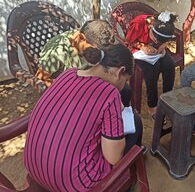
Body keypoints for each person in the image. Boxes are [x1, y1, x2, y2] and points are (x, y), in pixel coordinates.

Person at [24, 43, 143, 191]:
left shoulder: (68, 74)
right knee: (136, 122)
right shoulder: (109, 93)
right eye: (125, 80)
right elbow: (113, 157)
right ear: (120, 72)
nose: (123, 85)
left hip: (34, 167)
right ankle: (128, 180)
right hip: (76, 183)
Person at [35, 19, 132, 107]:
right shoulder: (57, 53)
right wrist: (66, 90)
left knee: (125, 91)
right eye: (93, 50)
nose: (96, 54)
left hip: (90, 79)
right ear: (81, 37)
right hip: (71, 90)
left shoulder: (91, 37)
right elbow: (40, 79)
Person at [125, 11, 177, 117]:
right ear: (150, 26)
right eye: (156, 39)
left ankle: (167, 98)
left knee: (169, 65)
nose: (157, 41)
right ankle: (152, 105)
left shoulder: (166, 24)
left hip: (156, 52)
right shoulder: (139, 24)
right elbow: (129, 41)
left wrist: (163, 46)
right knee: (153, 68)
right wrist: (143, 47)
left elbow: (166, 40)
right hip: (139, 51)